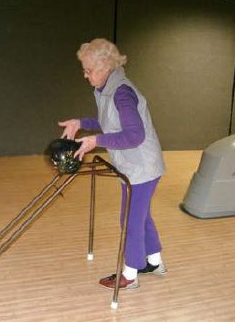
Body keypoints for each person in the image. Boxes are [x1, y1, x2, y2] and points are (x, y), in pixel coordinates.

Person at [58, 38, 166, 289]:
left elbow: (134, 135)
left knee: (129, 219)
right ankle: (154, 261)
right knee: (140, 216)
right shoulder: (108, 88)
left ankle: (130, 274)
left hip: (141, 168)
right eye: (84, 70)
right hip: (134, 166)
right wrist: (81, 122)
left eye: (89, 70)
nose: (85, 76)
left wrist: (95, 140)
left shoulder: (122, 93)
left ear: (106, 66)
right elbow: (109, 121)